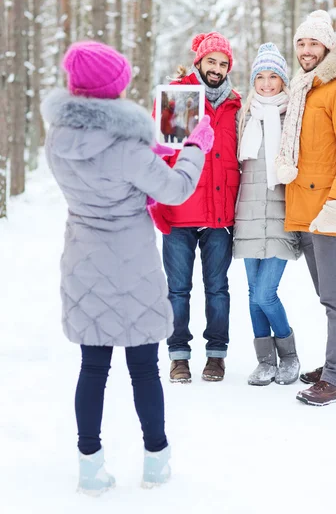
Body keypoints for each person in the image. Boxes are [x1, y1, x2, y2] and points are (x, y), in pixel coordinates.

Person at [41, 41, 214, 495]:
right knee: (143, 367)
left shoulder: (57, 137)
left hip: (84, 260)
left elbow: (104, 176)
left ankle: (89, 467)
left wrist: (146, 159)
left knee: (92, 367)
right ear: (112, 88)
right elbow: (175, 189)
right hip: (132, 266)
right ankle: (156, 461)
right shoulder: (128, 146)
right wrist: (194, 145)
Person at [275, 10, 336, 406]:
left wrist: (335, 204)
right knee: (329, 294)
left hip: (327, 210)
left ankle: (334, 377)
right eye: (301, 42)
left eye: (314, 42)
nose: (306, 49)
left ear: (328, 46)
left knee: (335, 297)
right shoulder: (306, 87)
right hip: (308, 207)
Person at [149, 32, 242, 383]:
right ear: (199, 61)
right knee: (177, 289)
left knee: (218, 289)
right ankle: (178, 356)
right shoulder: (178, 96)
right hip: (180, 209)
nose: (216, 68)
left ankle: (216, 356)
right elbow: (161, 152)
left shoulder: (235, 104)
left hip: (219, 213)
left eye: (223, 63)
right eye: (211, 61)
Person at [234, 43, 302, 386]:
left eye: (272, 76)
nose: (265, 83)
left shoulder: (293, 115)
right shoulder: (244, 116)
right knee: (251, 294)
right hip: (246, 216)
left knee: (265, 293)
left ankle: (289, 356)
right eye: (259, 77)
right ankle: (265, 361)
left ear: (282, 80)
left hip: (281, 215)